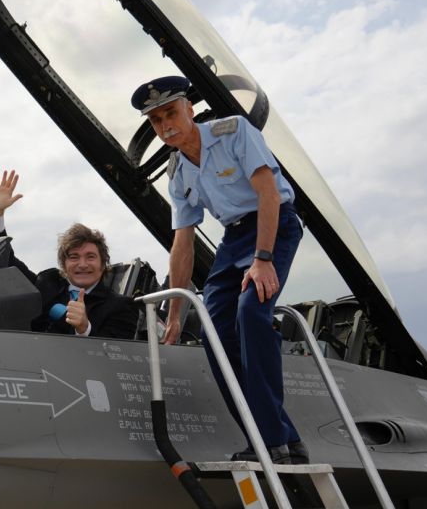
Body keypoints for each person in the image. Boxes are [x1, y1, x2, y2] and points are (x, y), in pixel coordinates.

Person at [132, 75, 308, 464]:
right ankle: (277, 440)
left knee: (251, 313)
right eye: (156, 121)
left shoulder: (234, 132)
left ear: (189, 110)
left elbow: (268, 193)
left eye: (171, 113)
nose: (166, 125)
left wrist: (262, 259)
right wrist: (176, 314)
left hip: (273, 226)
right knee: (213, 334)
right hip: (234, 240)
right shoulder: (177, 172)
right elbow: (182, 243)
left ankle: (275, 442)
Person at [0, 171, 137, 339]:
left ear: (103, 264)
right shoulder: (47, 283)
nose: (83, 264)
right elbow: (6, 263)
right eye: (74, 257)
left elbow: (116, 356)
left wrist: (84, 328)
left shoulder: (121, 306)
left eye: (91, 257)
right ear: (64, 264)